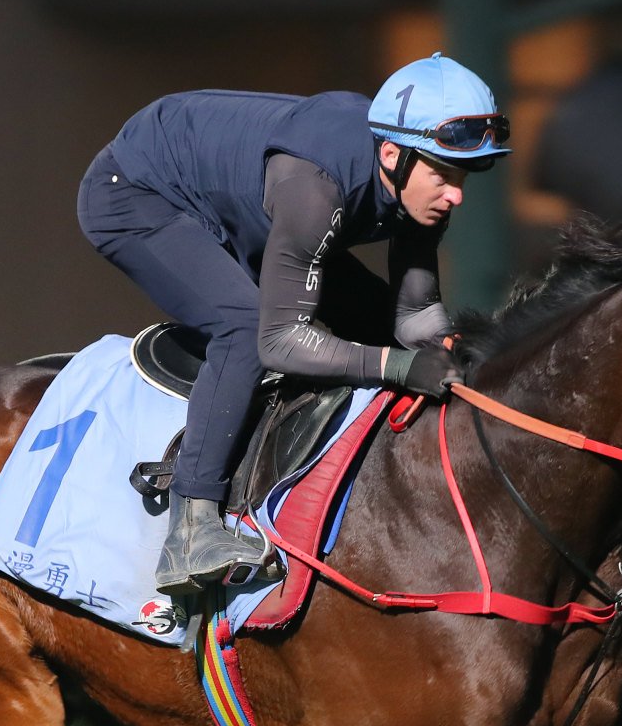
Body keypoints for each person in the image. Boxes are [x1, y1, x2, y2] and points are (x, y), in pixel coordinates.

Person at [77, 53, 512, 595]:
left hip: (250, 208)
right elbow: (281, 342)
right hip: (139, 192)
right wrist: (399, 366)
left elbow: (413, 316)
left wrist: (460, 359)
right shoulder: (315, 187)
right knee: (241, 326)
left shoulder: (411, 180)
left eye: (465, 175)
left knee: (374, 323)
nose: (457, 194)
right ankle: (191, 531)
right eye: (443, 175)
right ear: (393, 154)